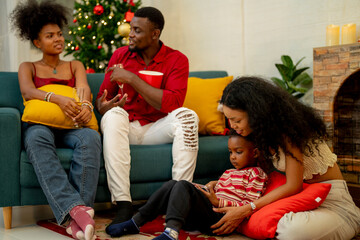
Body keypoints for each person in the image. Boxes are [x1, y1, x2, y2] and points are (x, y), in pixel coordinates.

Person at [212, 76, 360, 239]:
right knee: (270, 222)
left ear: (255, 112)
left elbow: (293, 185)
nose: (232, 126)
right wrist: (222, 184)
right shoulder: (261, 134)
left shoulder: (290, 131)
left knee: (290, 230)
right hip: (299, 202)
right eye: (229, 119)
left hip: (332, 205)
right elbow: (256, 174)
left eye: (236, 120)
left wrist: (248, 208)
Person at [95, 6, 199, 234]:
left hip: (157, 128)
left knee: (188, 117)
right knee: (113, 116)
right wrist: (104, 106)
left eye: (137, 30)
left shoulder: (177, 60)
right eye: (131, 29)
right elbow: (102, 100)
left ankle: (178, 200)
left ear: (155, 34)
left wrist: (132, 78)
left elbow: (172, 103)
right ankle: (123, 205)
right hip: (127, 127)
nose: (130, 34)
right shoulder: (120, 55)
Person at [10, 1, 101, 239]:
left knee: (90, 136)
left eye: (59, 34)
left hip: (71, 127)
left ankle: (75, 217)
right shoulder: (27, 66)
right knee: (37, 135)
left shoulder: (74, 65)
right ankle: (78, 211)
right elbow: (28, 92)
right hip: (40, 126)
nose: (58, 39)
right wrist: (58, 99)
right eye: (49, 36)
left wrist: (87, 106)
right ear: (37, 42)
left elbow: (83, 90)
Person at [105, 129, 268, 239]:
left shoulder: (256, 173)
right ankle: (136, 221)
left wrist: (219, 202)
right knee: (174, 184)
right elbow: (216, 193)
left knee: (183, 185)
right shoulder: (229, 172)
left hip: (223, 219)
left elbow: (249, 204)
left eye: (238, 152)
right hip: (207, 215)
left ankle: (171, 232)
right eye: (230, 152)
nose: (233, 157)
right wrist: (205, 189)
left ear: (254, 152)